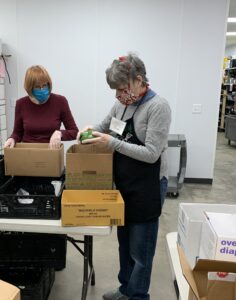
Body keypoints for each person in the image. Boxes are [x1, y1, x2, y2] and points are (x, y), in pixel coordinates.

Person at [77, 53, 171, 300]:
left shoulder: (158, 107)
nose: (118, 95)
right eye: (115, 90)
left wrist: (112, 143)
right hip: (125, 184)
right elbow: (105, 125)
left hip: (148, 188)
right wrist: (89, 130)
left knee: (141, 250)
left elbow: (151, 154)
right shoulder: (121, 104)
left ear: (138, 80)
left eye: (121, 88)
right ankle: (125, 289)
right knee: (125, 243)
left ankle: (138, 295)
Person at [4, 65, 78, 149]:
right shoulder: (21, 104)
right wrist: (12, 139)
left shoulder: (60, 101)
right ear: (30, 88)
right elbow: (17, 133)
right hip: (28, 152)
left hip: (51, 152)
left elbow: (74, 132)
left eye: (44, 85)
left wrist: (60, 133)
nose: (42, 89)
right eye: (37, 87)